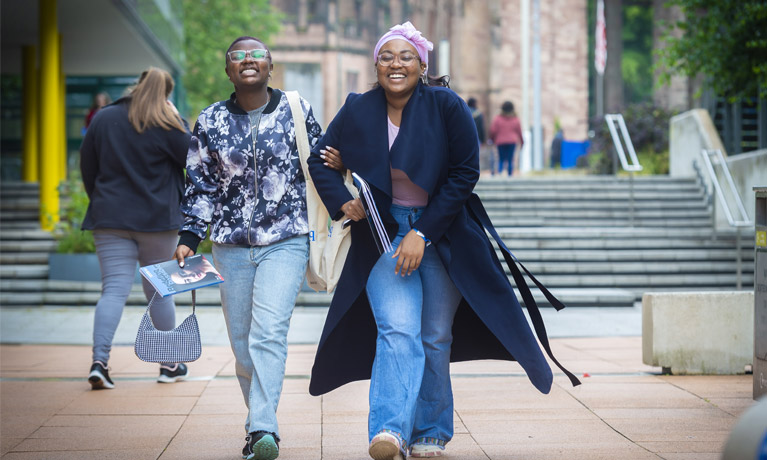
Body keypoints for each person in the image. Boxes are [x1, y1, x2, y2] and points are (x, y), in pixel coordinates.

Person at [307, 22, 579, 460]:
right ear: (375, 64)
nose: (395, 64)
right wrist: (344, 202)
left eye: (405, 57)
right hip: (381, 232)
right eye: (386, 57)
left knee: (434, 336)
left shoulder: (447, 105)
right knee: (398, 330)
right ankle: (389, 431)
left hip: (442, 229)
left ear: (421, 64)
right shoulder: (358, 108)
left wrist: (422, 232)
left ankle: (430, 431)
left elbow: (464, 175)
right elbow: (319, 158)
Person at [174, 36, 323, 460]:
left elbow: (322, 162)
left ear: (271, 66)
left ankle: (263, 429)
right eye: (237, 56)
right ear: (228, 71)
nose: (247, 60)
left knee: (268, 333)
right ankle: (259, 421)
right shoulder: (211, 120)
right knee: (242, 344)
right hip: (230, 245)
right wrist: (189, 235)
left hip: (286, 238)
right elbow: (200, 182)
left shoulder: (297, 111)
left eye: (256, 54)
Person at [80, 67, 191, 390]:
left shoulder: (103, 118)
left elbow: (88, 165)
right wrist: (178, 119)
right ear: (166, 94)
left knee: (113, 290)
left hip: (110, 218)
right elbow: (192, 158)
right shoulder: (168, 123)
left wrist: (101, 201)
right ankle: (169, 364)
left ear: (137, 87)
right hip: (158, 222)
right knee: (159, 291)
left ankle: (100, 362)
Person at [489, 100, 524, 176]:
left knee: (501, 159)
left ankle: (500, 173)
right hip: (512, 141)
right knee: (510, 159)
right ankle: (510, 175)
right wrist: (522, 142)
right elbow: (519, 131)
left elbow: (493, 130)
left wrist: (491, 139)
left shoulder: (497, 119)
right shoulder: (515, 119)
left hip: (500, 141)